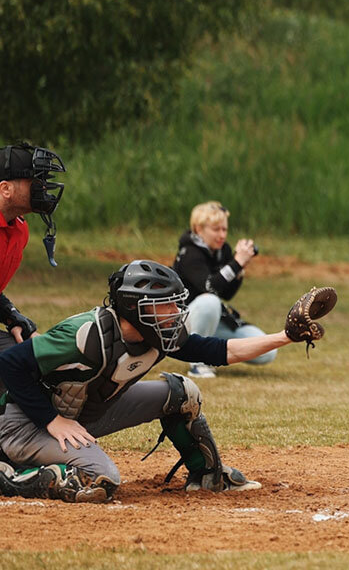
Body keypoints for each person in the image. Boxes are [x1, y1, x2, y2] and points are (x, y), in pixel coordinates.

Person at [0, 260, 309, 503]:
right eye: (166, 305)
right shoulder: (84, 335)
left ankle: (208, 476)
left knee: (182, 393)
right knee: (102, 479)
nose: (175, 313)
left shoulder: (159, 335)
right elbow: (9, 364)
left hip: (79, 419)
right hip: (24, 426)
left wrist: (285, 337)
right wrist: (51, 420)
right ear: (136, 307)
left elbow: (220, 351)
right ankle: (9, 474)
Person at [174, 201, 273, 378]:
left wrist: (239, 270)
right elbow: (210, 287)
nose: (221, 235)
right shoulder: (189, 253)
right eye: (215, 229)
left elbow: (226, 293)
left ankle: (216, 355)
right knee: (209, 301)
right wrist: (236, 263)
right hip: (183, 322)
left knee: (266, 352)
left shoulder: (222, 250)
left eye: (224, 230)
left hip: (212, 317)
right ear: (198, 229)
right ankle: (198, 362)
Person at [0, 144, 66, 384]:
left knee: (34, 359)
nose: (43, 188)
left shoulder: (19, 230)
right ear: (5, 189)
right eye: (34, 181)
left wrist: (12, 316)